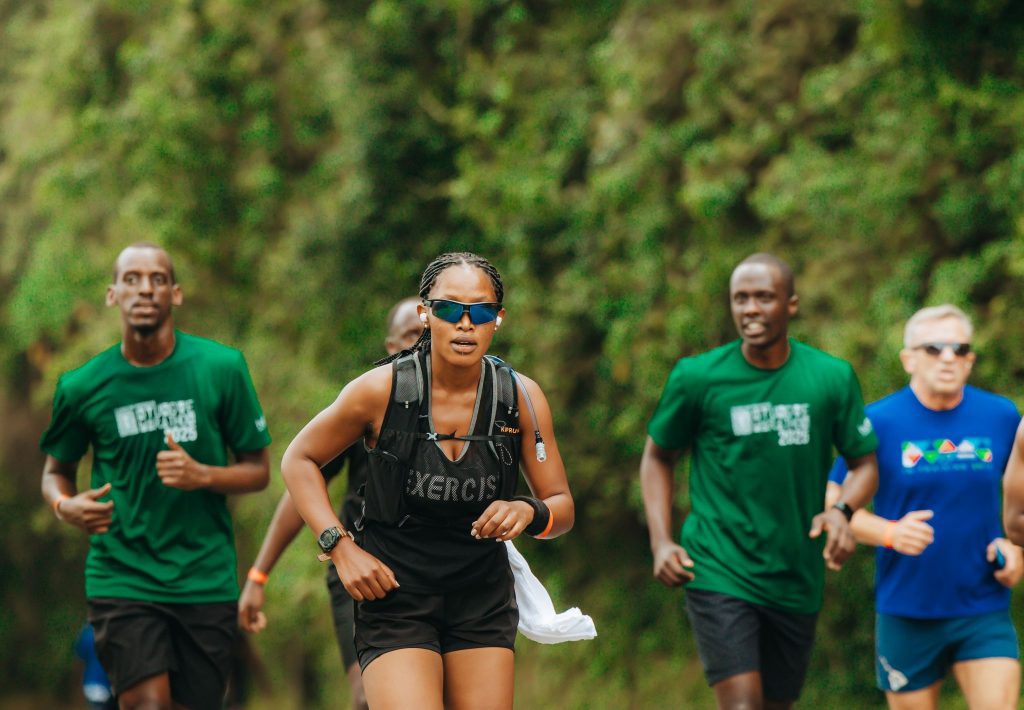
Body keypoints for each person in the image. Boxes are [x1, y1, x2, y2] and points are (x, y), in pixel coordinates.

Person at [281, 252, 574, 710]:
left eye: (480, 311)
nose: (464, 324)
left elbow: (561, 508)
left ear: (498, 319)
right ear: (425, 314)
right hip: (395, 596)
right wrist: (340, 548)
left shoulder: (520, 397)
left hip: (480, 597)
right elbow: (299, 459)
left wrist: (526, 510)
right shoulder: (381, 390)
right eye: (448, 309)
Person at [639, 253, 879, 710]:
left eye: (764, 297)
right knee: (742, 705)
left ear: (791, 304)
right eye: (740, 298)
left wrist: (841, 511)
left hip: (795, 573)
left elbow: (865, 465)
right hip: (718, 563)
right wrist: (661, 541)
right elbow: (657, 456)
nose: (750, 309)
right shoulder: (698, 378)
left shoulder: (831, 377)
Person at [40, 243, 271, 710]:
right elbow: (55, 473)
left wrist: (202, 474)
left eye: (157, 279)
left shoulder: (221, 368)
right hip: (122, 576)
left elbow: (259, 471)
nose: (145, 289)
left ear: (175, 294)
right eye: (132, 279)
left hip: (204, 577)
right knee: (147, 704)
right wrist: (66, 506)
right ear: (112, 294)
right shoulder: (81, 386)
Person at [828, 305, 1023, 709]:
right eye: (934, 348)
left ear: (970, 359)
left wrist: (1017, 549)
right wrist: (889, 532)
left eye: (959, 348)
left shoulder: (1002, 417)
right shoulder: (878, 422)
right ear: (908, 359)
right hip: (907, 610)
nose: (948, 357)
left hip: (983, 606)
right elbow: (834, 504)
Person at [238, 296, 422, 710]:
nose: (422, 342)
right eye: (412, 334)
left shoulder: (468, 406)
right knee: (368, 696)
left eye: (428, 332)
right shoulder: (367, 403)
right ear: (391, 346)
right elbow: (303, 481)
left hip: (434, 571)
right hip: (361, 571)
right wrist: (258, 575)